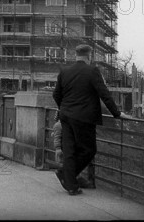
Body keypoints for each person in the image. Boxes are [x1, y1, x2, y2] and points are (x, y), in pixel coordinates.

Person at [53, 44, 129, 196]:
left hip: (66, 116)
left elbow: (56, 95)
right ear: (90, 56)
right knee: (89, 150)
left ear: (76, 55)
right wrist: (117, 113)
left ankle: (71, 184)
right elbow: (104, 94)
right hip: (84, 118)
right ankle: (66, 175)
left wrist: (65, 108)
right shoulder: (93, 71)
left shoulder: (65, 71)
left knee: (69, 150)